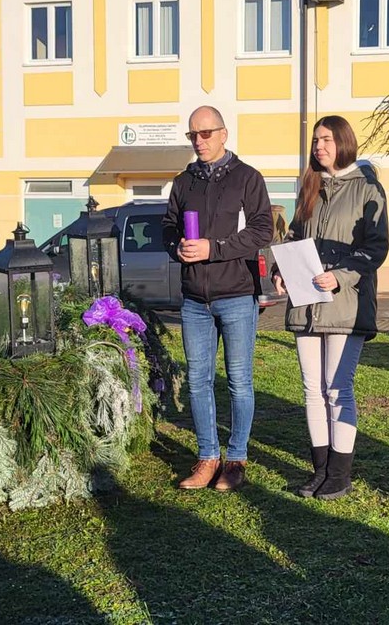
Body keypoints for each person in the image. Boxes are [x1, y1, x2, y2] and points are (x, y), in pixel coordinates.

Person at [272, 116, 389, 501]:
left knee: (338, 387)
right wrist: (280, 271)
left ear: (343, 141)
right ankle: (319, 470)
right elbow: (293, 237)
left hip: (345, 303)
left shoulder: (368, 188)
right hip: (306, 302)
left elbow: (376, 248)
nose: (319, 146)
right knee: (311, 388)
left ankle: (340, 473)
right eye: (315, 139)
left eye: (326, 139)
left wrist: (341, 276)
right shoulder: (309, 186)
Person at [162, 106, 274, 492]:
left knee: (239, 381)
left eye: (206, 133)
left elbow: (263, 230)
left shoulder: (248, 178)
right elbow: (168, 227)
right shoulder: (183, 182)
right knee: (197, 381)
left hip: (237, 295)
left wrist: (216, 248)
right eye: (193, 135)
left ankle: (236, 459)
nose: (199, 141)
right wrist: (176, 246)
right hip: (195, 299)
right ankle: (208, 458)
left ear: (224, 134)